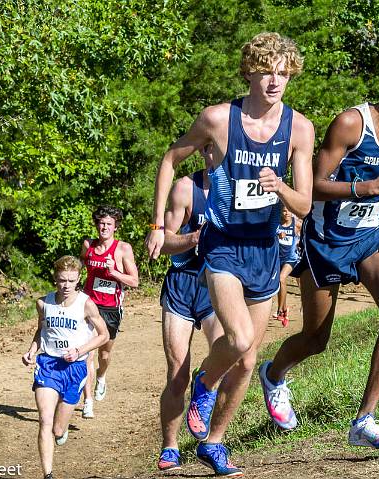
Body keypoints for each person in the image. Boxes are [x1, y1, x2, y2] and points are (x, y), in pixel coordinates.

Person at [146, 32, 314, 477]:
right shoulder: (219, 119)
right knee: (237, 340)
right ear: (249, 72)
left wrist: (280, 188)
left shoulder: (299, 129)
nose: (275, 81)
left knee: (246, 362)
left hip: (264, 249)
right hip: (222, 248)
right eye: (265, 72)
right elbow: (169, 159)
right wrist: (158, 225)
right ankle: (202, 383)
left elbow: (305, 203)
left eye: (282, 73)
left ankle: (214, 442)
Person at [258, 46, 379, 449]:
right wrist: (368, 188)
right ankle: (273, 374)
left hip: (372, 236)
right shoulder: (350, 124)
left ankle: (365, 419)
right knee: (316, 339)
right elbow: (312, 186)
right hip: (325, 239)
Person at [156, 145, 225, 471]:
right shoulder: (187, 187)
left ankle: (206, 383)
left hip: (216, 285)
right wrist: (194, 238)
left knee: (225, 353)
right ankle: (170, 447)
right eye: (212, 150)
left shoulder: (241, 186)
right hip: (183, 285)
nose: (219, 156)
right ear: (204, 152)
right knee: (178, 373)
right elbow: (164, 241)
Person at [22, 256, 110, 479]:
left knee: (58, 429)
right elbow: (41, 332)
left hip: (75, 369)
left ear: (78, 278)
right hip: (48, 365)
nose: (66, 286)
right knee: (45, 420)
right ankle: (48, 475)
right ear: (55, 278)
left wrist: (80, 351)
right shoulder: (43, 303)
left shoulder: (86, 304)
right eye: (62, 280)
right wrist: (32, 350)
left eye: (71, 280)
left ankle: (62, 430)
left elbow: (104, 335)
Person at [80, 206, 139, 419]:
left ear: (115, 226)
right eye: (101, 223)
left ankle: (102, 377)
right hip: (88, 305)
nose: (104, 227)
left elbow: (134, 281)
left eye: (108, 224)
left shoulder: (122, 249)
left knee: (104, 354)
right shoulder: (88, 245)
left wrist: (114, 272)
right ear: (97, 224)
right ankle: (87, 401)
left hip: (110, 308)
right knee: (87, 354)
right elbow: (79, 266)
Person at [274, 205, 301, 327]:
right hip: (277, 258)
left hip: (291, 259)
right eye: (284, 211)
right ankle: (285, 310)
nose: (286, 213)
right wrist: (277, 236)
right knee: (279, 284)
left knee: (281, 278)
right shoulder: (276, 225)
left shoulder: (296, 224)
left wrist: (300, 241)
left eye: (289, 211)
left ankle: (279, 310)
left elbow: (307, 232)